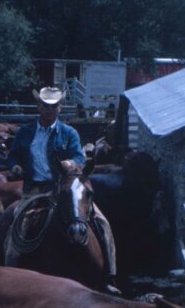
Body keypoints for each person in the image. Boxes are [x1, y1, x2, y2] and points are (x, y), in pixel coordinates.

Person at [6, 86, 120, 294]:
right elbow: (13, 155)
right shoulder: (25, 132)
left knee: (102, 223)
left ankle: (109, 278)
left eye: (54, 106)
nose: (50, 110)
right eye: (46, 106)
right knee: (17, 228)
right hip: (34, 190)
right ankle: (9, 276)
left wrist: (71, 163)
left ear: (60, 108)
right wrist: (14, 165)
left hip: (63, 189)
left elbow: (78, 156)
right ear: (39, 106)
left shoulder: (68, 134)